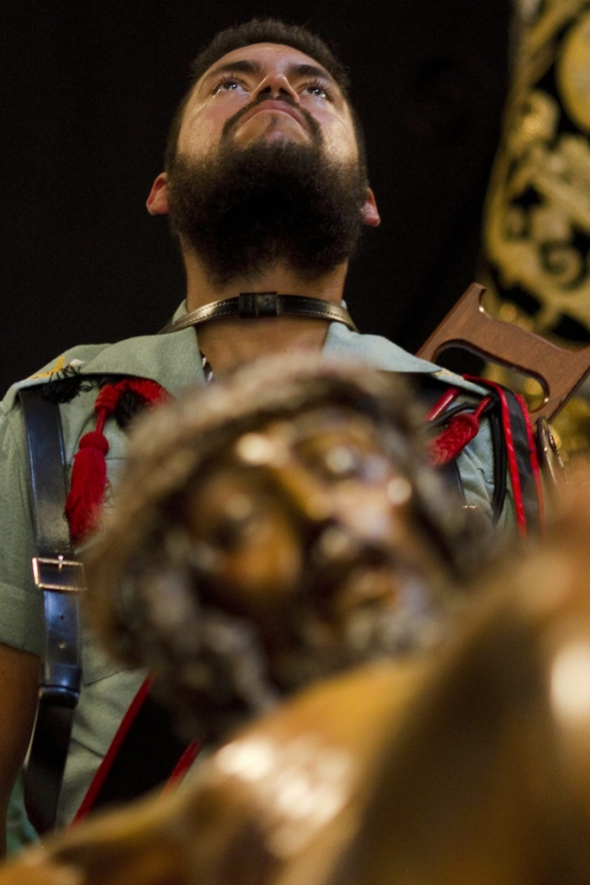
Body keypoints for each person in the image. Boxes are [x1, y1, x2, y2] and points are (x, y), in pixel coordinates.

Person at [0, 17, 518, 848]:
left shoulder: (479, 428)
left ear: (367, 200)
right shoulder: (51, 412)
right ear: (164, 190)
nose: (277, 85)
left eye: (316, 89)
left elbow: (512, 760)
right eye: (231, 83)